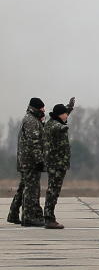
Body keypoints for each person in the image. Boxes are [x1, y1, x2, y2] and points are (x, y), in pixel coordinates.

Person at [7, 98, 46, 227]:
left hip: (26, 160)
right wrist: (39, 160)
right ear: (36, 108)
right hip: (30, 162)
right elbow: (33, 142)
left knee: (23, 187)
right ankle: (28, 217)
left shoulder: (32, 119)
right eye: (42, 108)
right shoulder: (31, 121)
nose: (43, 110)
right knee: (31, 189)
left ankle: (13, 214)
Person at [42, 98, 75, 229]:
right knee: (53, 191)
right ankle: (49, 219)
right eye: (65, 114)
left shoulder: (52, 121)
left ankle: (49, 217)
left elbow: (62, 116)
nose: (67, 116)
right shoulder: (55, 126)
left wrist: (69, 108)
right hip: (56, 164)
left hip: (56, 164)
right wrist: (64, 126)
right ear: (60, 115)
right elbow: (59, 125)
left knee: (53, 190)